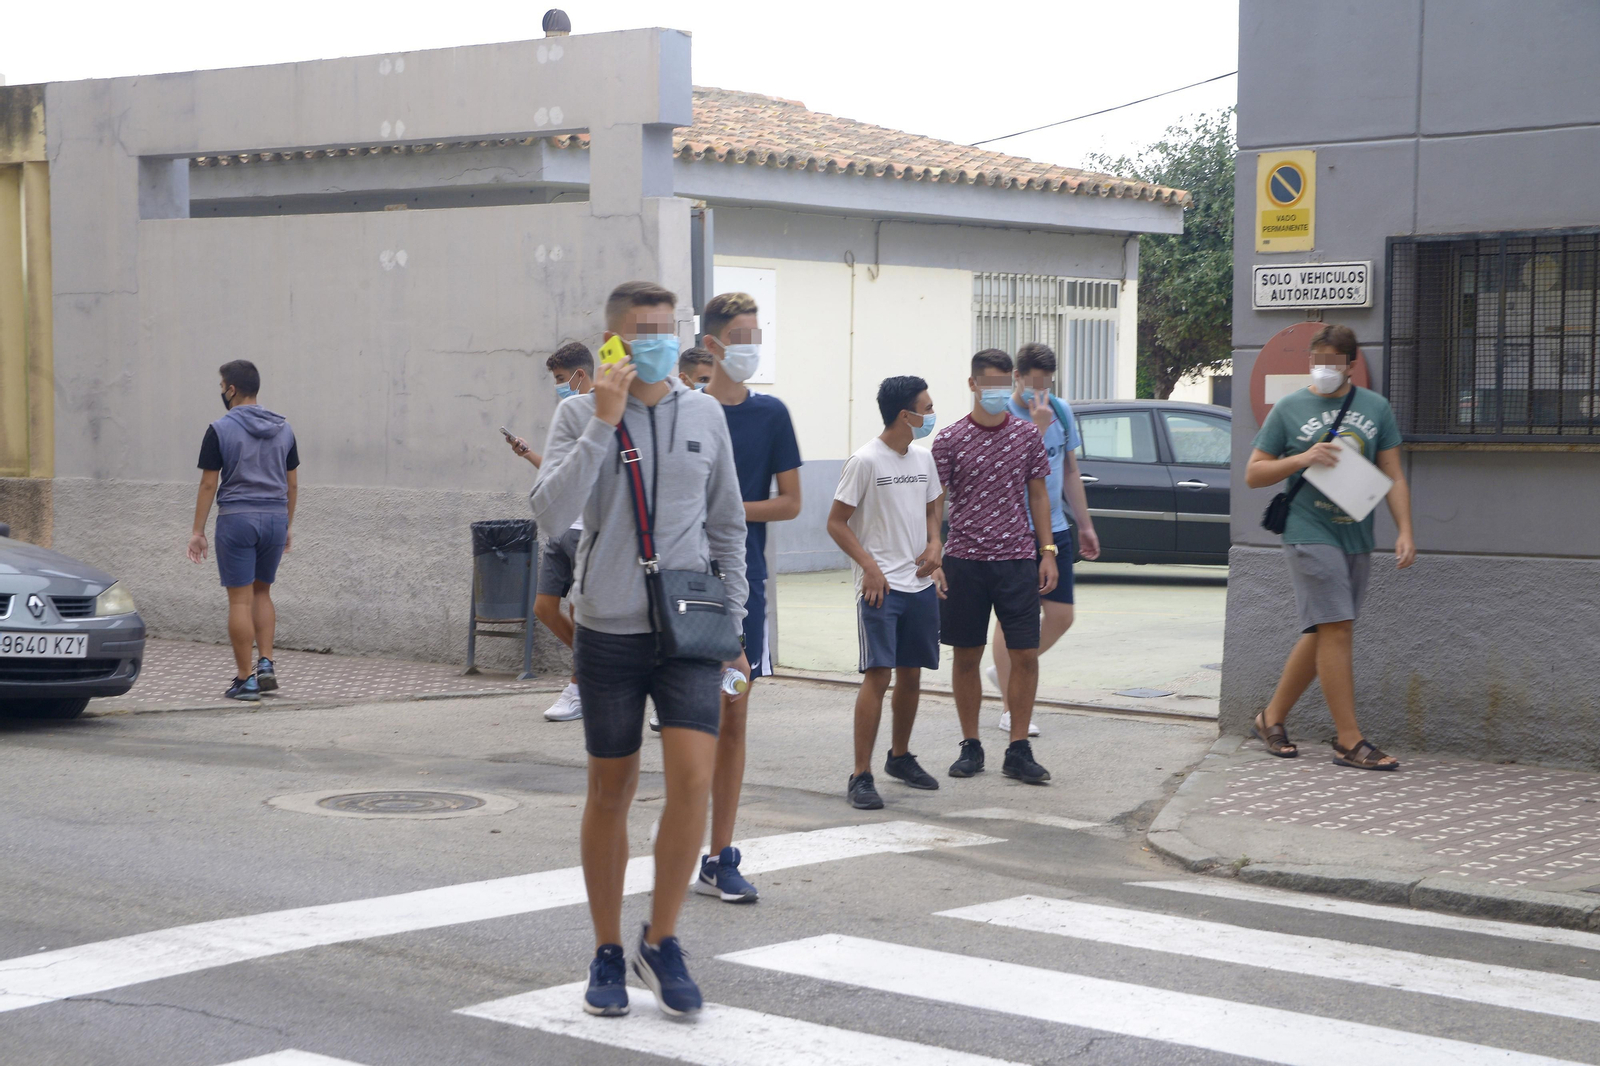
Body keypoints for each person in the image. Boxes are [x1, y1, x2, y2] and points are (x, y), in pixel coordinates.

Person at [530, 281, 749, 1018]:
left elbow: (727, 527)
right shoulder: (576, 412)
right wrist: (602, 422)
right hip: (609, 627)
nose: (656, 341)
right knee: (611, 791)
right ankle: (603, 951)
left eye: (666, 328)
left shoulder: (706, 413)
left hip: (690, 631)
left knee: (692, 779)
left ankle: (661, 938)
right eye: (641, 331)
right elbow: (550, 515)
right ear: (614, 342)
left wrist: (737, 628)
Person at [1245, 323, 1415, 770]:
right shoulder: (1289, 407)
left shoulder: (1375, 408)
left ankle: (1271, 717)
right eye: (1316, 361)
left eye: (1332, 363)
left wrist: (1404, 530)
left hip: (1355, 531)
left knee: (1325, 628)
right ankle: (1349, 740)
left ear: (1350, 364)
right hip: (1307, 528)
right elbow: (1254, 473)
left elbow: (1393, 474)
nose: (1322, 370)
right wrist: (1303, 457)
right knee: (1337, 626)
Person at [694, 291, 801, 903]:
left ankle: (719, 853)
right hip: (683, 585)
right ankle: (683, 836)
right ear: (712, 345)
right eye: (741, 336)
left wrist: (725, 515)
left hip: (742, 584)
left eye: (758, 334)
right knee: (688, 717)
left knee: (734, 710)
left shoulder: (772, 415)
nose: (751, 347)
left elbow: (790, 502)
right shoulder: (687, 412)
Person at [930, 348, 1057, 785]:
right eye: (990, 385)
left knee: (1025, 653)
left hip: (1018, 560)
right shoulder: (948, 440)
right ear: (972, 385)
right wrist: (935, 554)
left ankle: (1018, 748)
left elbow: (1039, 495)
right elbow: (935, 502)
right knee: (966, 654)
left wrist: (1048, 551)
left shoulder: (1026, 437)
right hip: (964, 560)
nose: (999, 393)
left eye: (1006, 385)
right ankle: (971, 745)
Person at [827, 376, 945, 810]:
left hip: (919, 583)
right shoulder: (864, 461)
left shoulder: (924, 459)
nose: (932, 415)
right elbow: (836, 523)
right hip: (881, 589)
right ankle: (861, 774)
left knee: (911, 673)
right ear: (904, 415)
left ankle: (900, 757)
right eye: (927, 408)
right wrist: (870, 567)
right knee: (879, 674)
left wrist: (936, 544)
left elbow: (934, 508)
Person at [987, 342, 1101, 737]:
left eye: (1047, 386)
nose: (1041, 395)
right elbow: (1004, 473)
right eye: (1034, 385)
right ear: (1016, 377)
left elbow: (1069, 470)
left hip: (1055, 527)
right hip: (1015, 530)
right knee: (1013, 618)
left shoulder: (1062, 411)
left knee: (1061, 616)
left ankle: (1005, 669)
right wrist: (1035, 427)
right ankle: (1008, 705)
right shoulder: (1001, 414)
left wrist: (1084, 523)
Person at [185, 360, 299, 702]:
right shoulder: (285, 428)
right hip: (275, 517)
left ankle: (245, 679)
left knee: (240, 599)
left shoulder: (219, 429)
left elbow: (208, 484)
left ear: (231, 389)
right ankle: (266, 664)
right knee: (262, 593)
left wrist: (197, 531)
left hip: (237, 518)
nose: (221, 392)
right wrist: (287, 524)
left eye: (222, 386)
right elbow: (292, 483)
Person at [508, 341, 594, 723]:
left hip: (586, 529)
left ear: (581, 375)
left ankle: (580, 687)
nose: (558, 386)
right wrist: (528, 454)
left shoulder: (599, 414)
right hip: (559, 528)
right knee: (544, 607)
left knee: (581, 611)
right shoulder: (567, 413)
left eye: (561, 379)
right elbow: (558, 474)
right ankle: (595, 667)